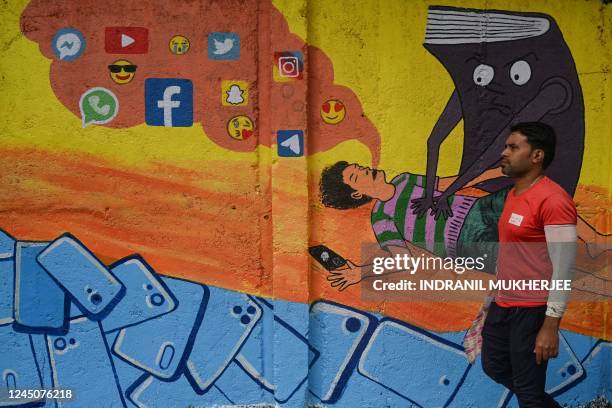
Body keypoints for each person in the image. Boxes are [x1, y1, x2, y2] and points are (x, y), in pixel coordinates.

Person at [480, 122, 576, 408]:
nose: (504, 152)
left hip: (532, 310)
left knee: (528, 391)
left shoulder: (554, 200)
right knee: (494, 367)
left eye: (513, 147)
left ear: (537, 156)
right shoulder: (514, 193)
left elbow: (564, 267)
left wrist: (550, 325)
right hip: (503, 303)